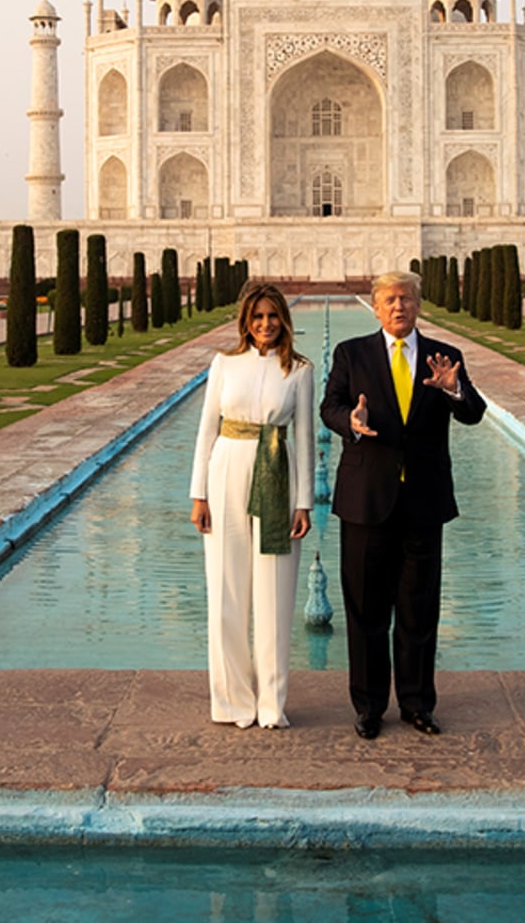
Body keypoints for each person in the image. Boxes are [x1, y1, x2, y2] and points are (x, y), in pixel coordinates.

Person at [321, 270, 485, 739]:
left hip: (422, 501)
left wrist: (454, 388)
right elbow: (328, 405)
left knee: (418, 610)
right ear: (375, 306)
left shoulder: (444, 357)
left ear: (419, 305)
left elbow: (473, 412)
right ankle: (369, 707)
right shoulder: (352, 353)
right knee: (366, 612)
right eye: (390, 299)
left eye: (407, 299)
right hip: (366, 501)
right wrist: (350, 421)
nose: (399, 307)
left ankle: (417, 704)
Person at [188, 282, 315, 728]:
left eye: (273, 317)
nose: (265, 325)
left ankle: (270, 705)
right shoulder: (224, 364)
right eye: (257, 317)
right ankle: (231, 702)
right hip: (226, 472)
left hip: (278, 475)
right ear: (245, 321)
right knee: (226, 590)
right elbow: (207, 429)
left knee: (275, 595)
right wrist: (198, 493)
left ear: (284, 320)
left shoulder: (299, 369)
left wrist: (304, 503)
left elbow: (303, 437)